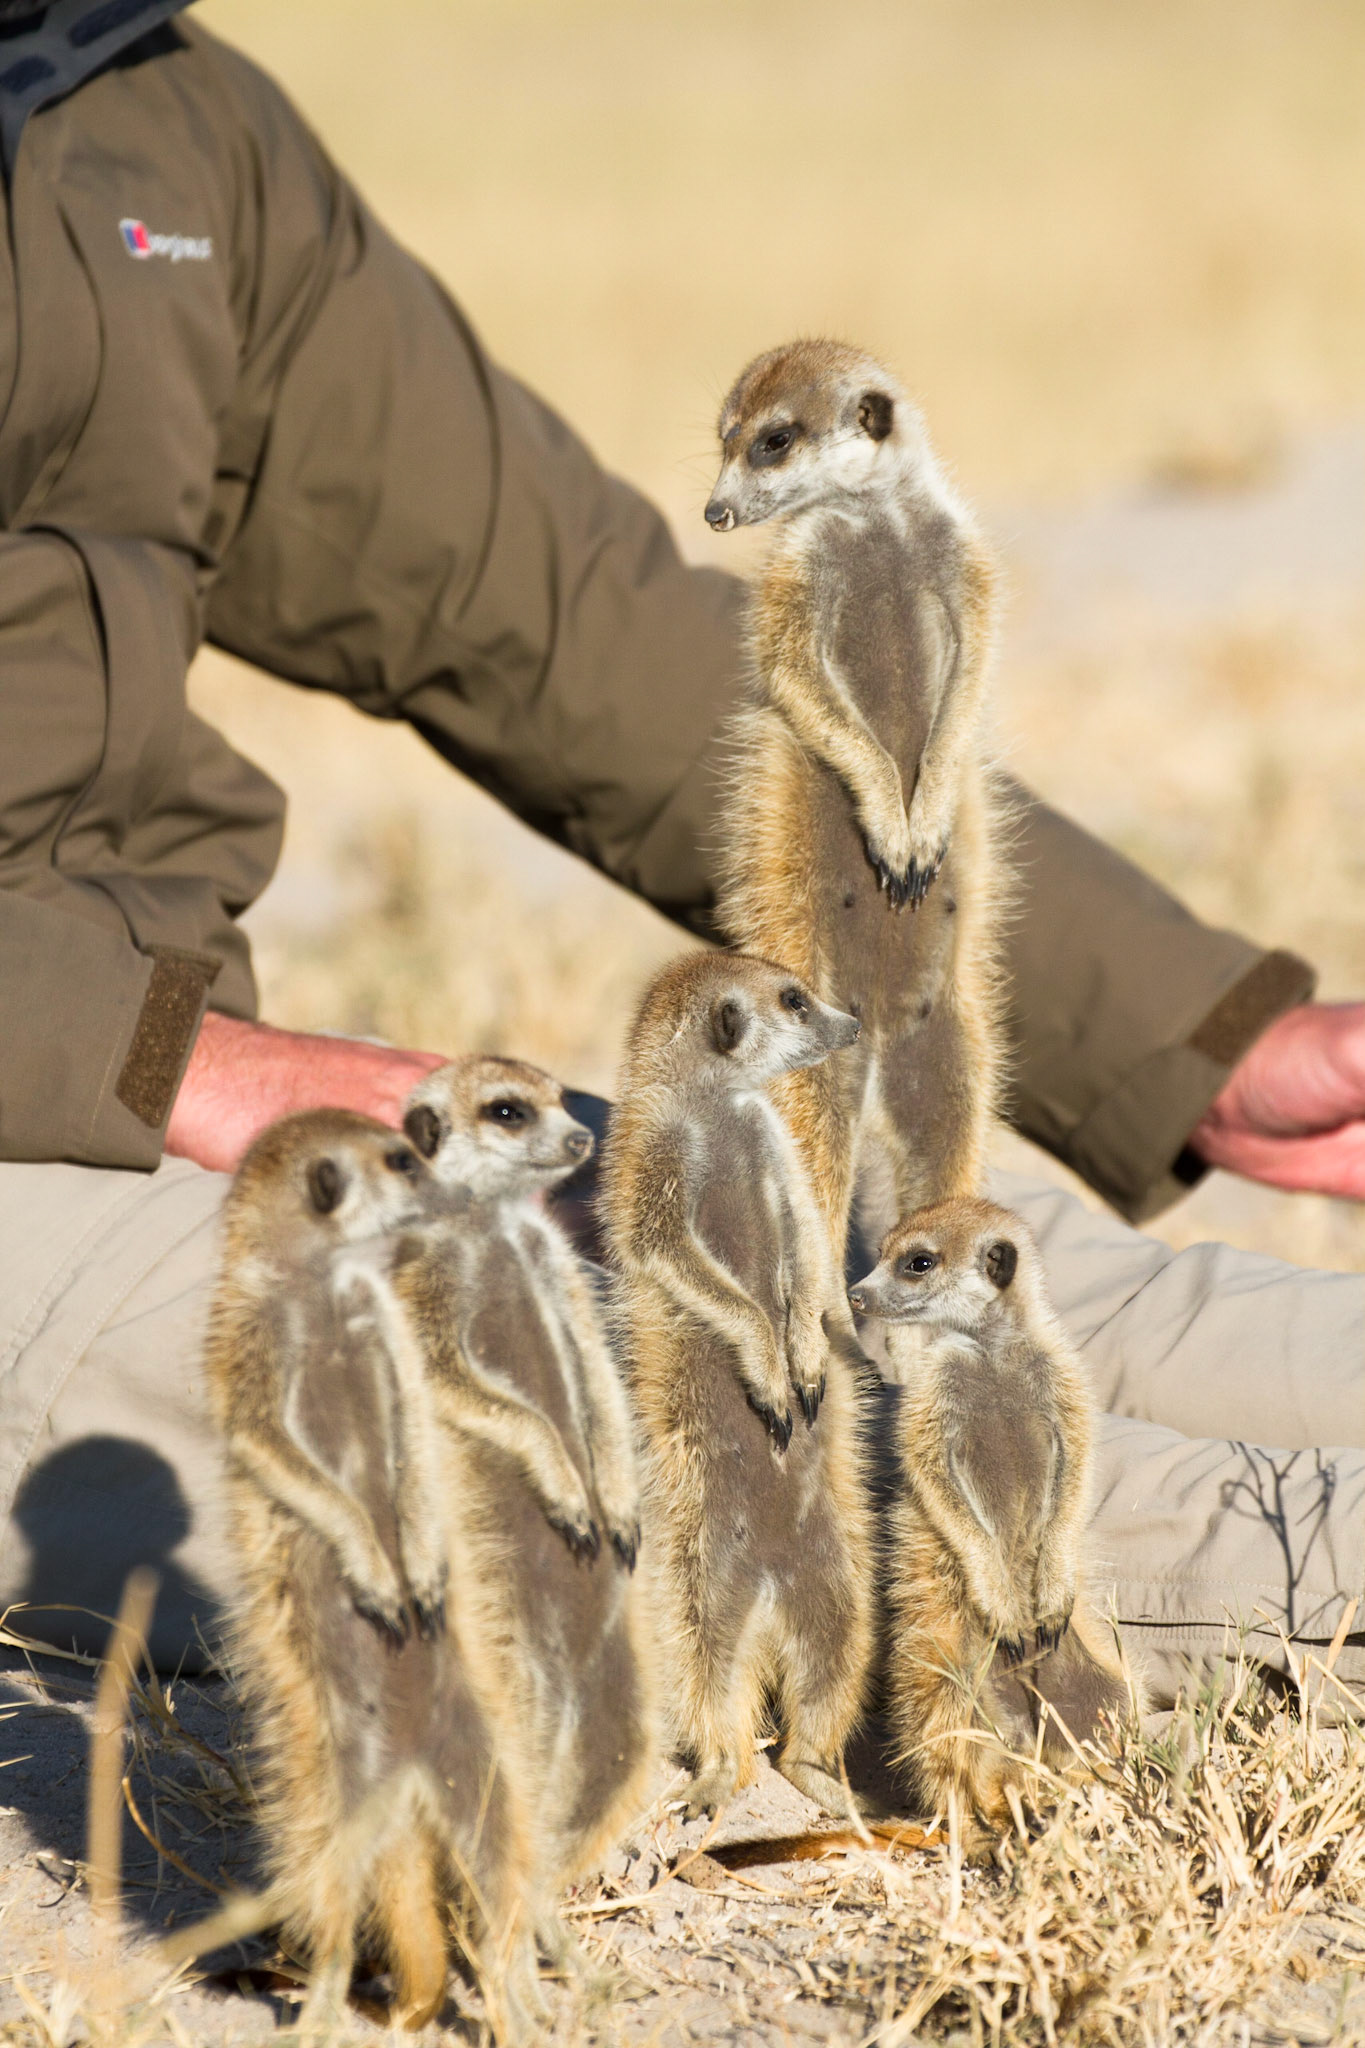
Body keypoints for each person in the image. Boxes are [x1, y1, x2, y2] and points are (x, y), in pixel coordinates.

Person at [0, 2, 1359, 1696]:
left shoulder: (130, 110)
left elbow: (570, 628)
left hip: (154, 1106)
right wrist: (150, 1055)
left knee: (938, 1270)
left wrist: (1192, 1027)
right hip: (56, 1143)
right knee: (653, 1389)